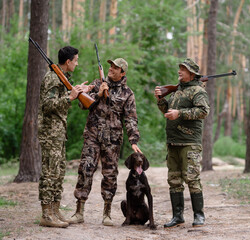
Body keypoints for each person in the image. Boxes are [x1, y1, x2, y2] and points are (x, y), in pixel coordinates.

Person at [68, 58, 142, 226]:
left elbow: (131, 119)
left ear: (122, 72)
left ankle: (107, 213)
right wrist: (98, 94)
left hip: (113, 140)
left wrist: (134, 140)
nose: (111, 69)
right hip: (92, 135)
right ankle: (79, 212)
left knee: (110, 175)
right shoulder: (97, 83)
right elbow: (82, 104)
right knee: (85, 169)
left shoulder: (127, 93)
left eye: (116, 68)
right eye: (111, 66)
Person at [38, 46, 94, 228]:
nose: (77, 64)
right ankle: (46, 214)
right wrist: (70, 97)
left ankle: (55, 210)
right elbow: (47, 105)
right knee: (50, 173)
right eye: (76, 60)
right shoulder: (52, 78)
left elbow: (61, 98)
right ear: (68, 61)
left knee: (59, 171)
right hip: (50, 133)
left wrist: (78, 90)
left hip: (58, 132)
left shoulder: (61, 78)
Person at [154, 58, 210, 228]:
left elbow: (203, 111)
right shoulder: (177, 91)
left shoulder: (198, 91)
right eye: (179, 68)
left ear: (192, 73)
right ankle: (177, 216)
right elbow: (167, 111)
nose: (179, 71)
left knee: (192, 179)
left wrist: (180, 113)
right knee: (174, 180)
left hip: (189, 142)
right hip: (173, 142)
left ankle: (199, 216)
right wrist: (160, 100)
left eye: (183, 69)